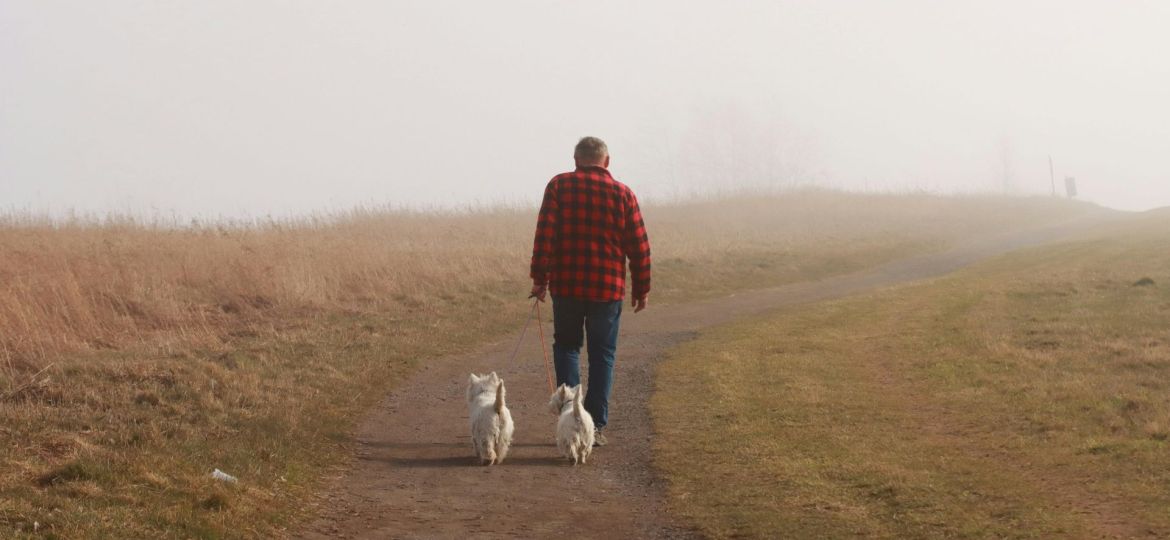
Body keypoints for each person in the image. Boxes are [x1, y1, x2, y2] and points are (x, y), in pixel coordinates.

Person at [529, 136, 652, 447]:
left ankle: (571, 419)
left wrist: (539, 279)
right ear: (606, 162)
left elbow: (545, 236)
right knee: (602, 356)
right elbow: (639, 247)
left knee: (567, 347)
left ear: (575, 160)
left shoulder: (558, 186)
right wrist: (641, 288)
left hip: (567, 286)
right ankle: (594, 427)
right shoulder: (624, 194)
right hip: (607, 289)